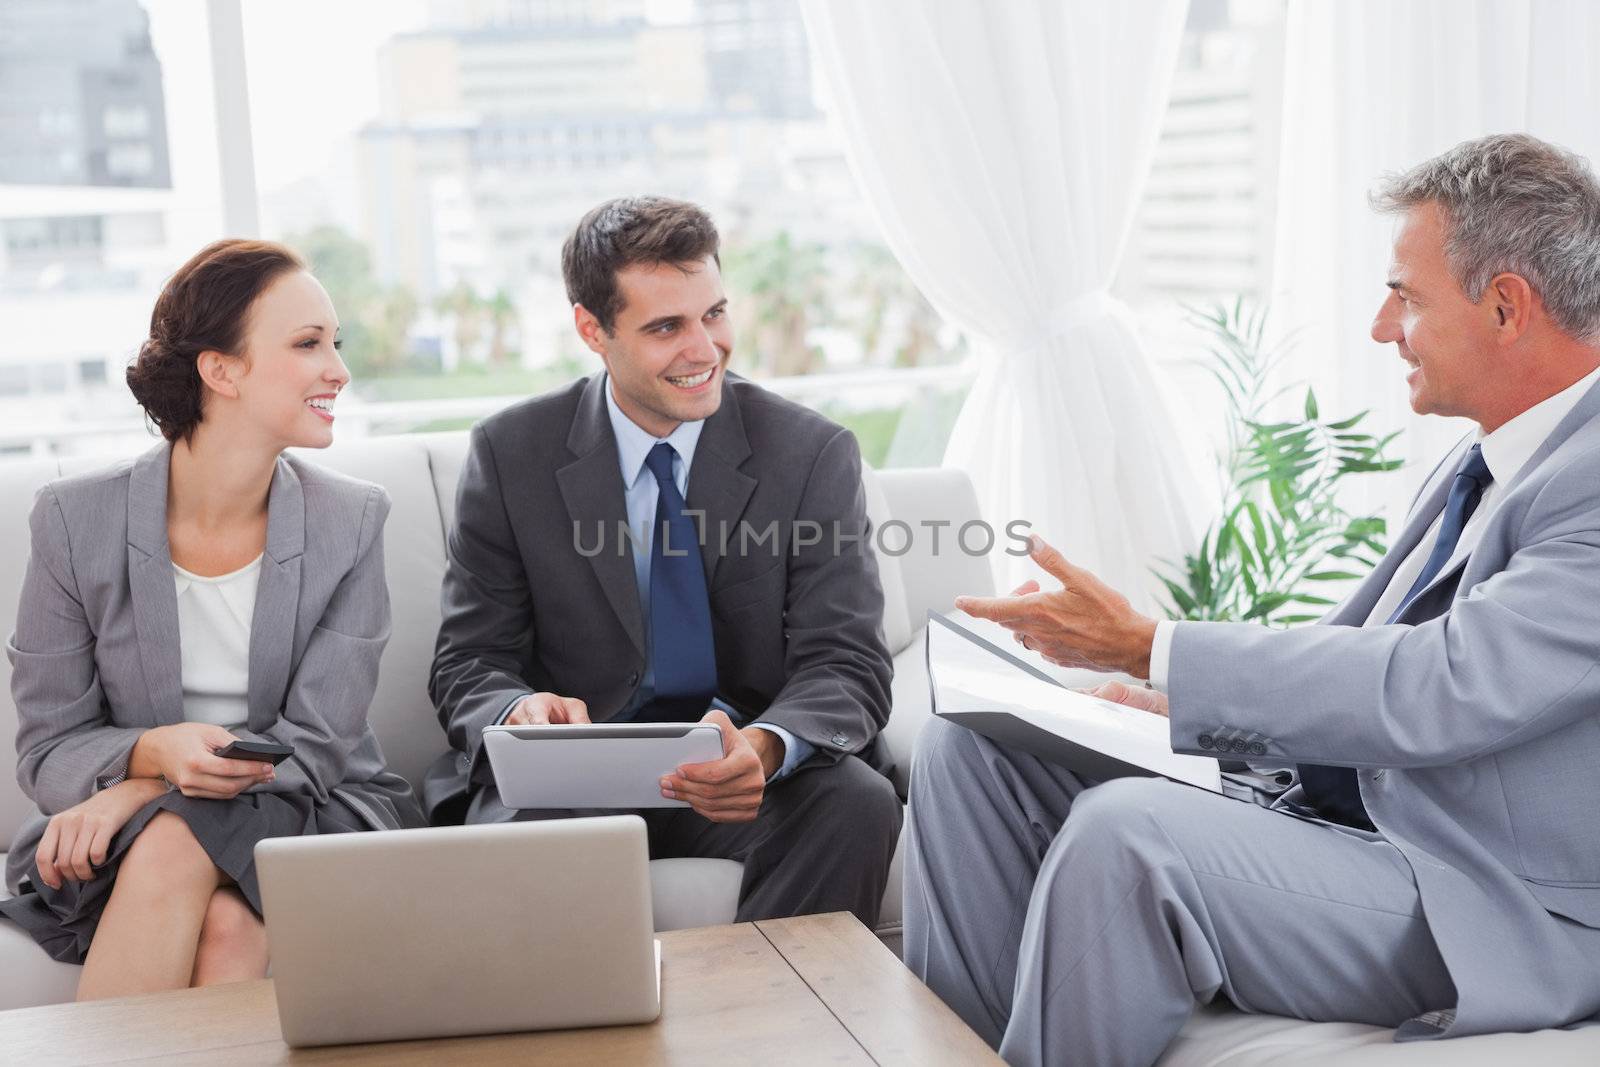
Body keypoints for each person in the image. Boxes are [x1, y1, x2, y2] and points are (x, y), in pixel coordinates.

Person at [906, 132, 1600, 1066]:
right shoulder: (1488, 459)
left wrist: (1151, 646)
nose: (1382, 327)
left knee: (1134, 839)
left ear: (1507, 306)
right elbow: (1363, 650)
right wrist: (1168, 706)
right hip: (1355, 819)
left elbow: (1447, 682)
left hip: (1491, 895)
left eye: (1406, 296)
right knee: (972, 745)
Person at [423, 196, 900, 925]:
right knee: (515, 840)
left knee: (855, 806)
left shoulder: (810, 455)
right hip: (575, 781)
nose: (704, 349)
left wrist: (767, 748)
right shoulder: (510, 454)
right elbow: (468, 659)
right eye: (666, 326)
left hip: (745, 772)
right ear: (593, 329)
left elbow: (847, 660)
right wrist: (519, 707)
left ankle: (769, 1031)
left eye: (713, 313)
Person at [0, 239, 424, 1001]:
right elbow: (47, 749)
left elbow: (319, 746)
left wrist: (141, 788)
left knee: (175, 845)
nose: (339, 368)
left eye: (336, 343)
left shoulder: (352, 520)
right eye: (307, 344)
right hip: (126, 831)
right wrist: (157, 753)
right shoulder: (74, 521)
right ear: (219, 369)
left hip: (314, 806)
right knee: (218, 913)